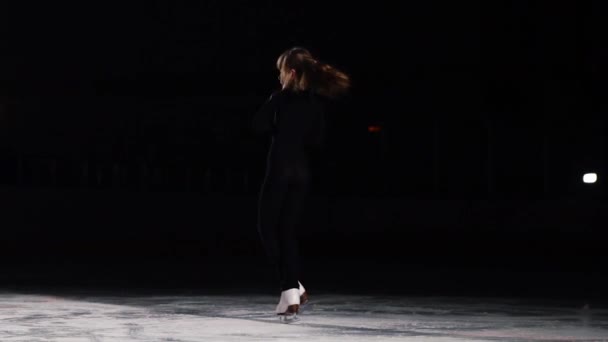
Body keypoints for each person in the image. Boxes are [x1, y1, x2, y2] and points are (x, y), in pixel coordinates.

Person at [251, 47, 350, 322]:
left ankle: (291, 288)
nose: (279, 76)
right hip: (301, 172)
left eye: (281, 71)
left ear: (291, 73)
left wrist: (278, 128)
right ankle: (295, 289)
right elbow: (317, 139)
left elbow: (257, 125)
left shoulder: (280, 98)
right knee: (287, 233)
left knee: (266, 228)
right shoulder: (314, 103)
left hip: (280, 169)